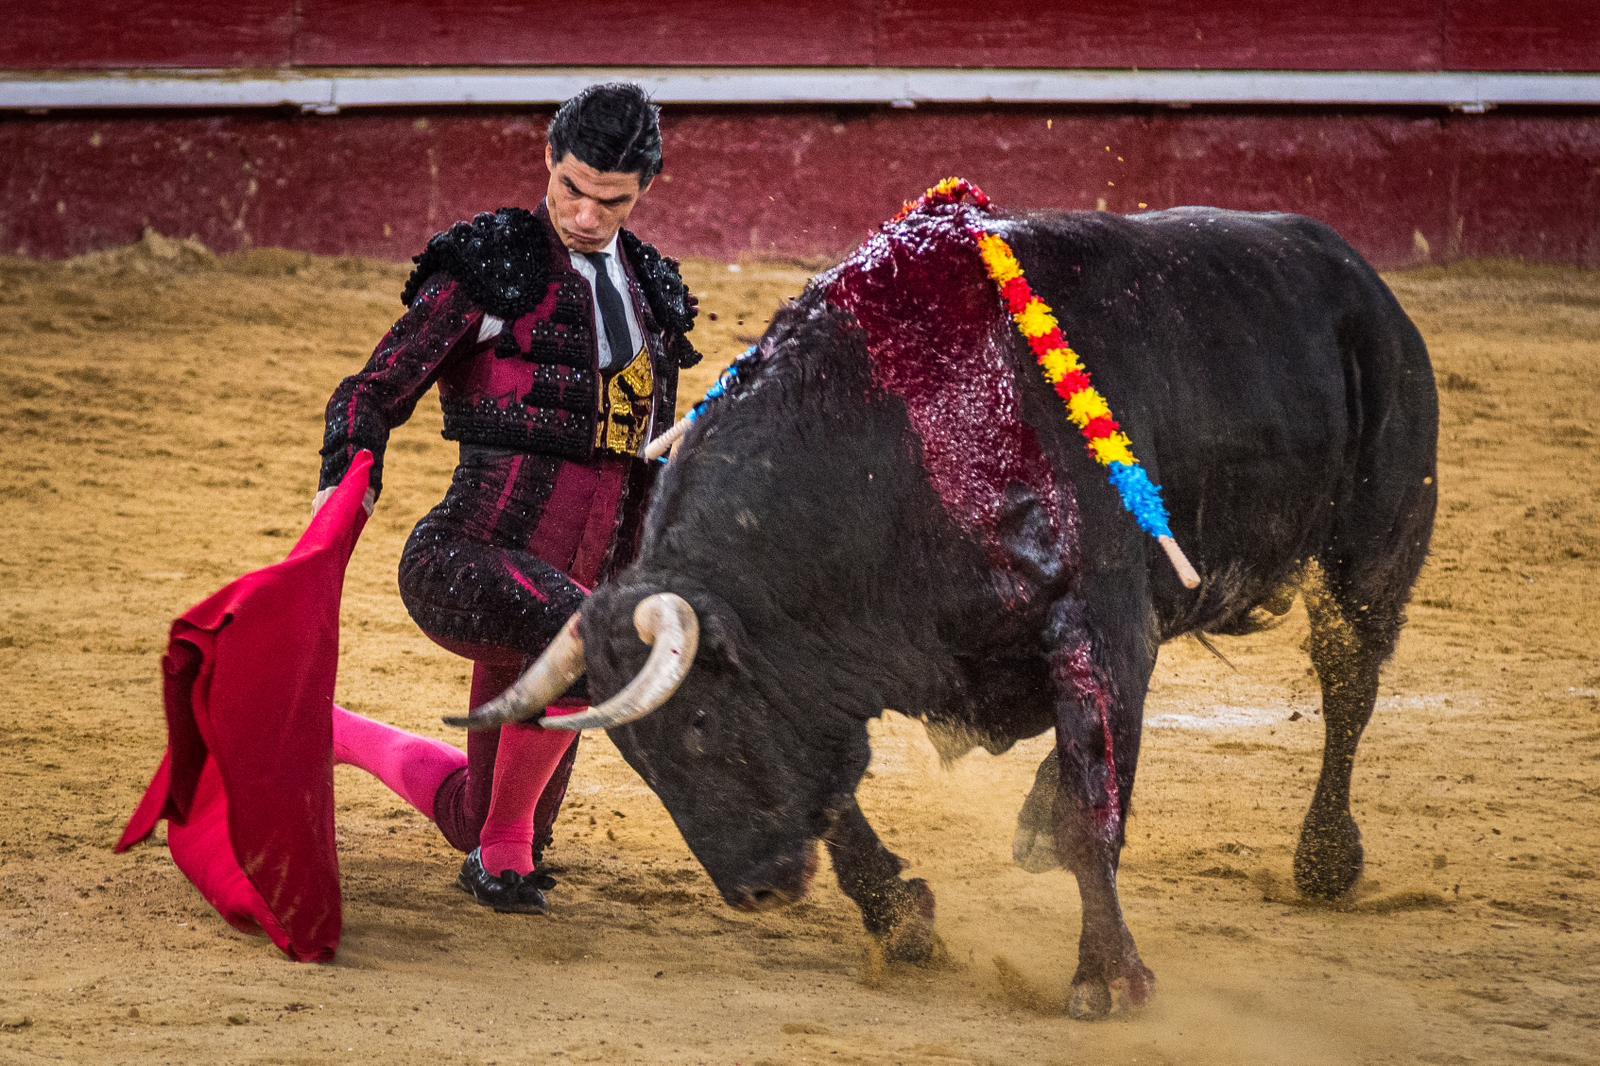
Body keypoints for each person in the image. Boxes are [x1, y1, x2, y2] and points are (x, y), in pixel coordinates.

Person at [312, 82, 700, 915]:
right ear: (548, 161)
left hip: (579, 579)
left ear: (644, 194)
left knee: (473, 813)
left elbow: (648, 466)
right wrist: (343, 490)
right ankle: (504, 860)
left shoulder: (655, 294)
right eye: (572, 189)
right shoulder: (494, 265)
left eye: (613, 201)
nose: (588, 216)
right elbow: (372, 392)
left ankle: (329, 732)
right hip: (470, 556)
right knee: (583, 641)